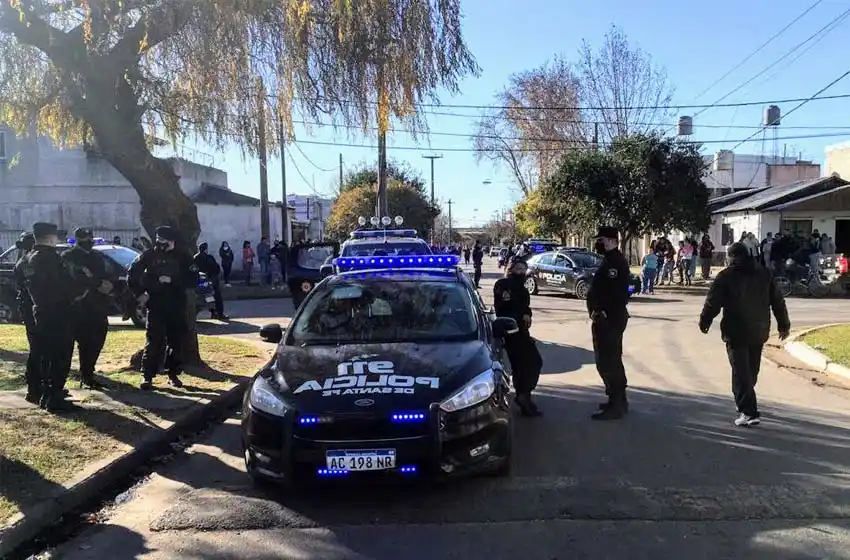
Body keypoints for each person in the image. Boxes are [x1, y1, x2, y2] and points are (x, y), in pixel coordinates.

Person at [699, 242, 791, 427]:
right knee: (750, 369)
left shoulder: (726, 276)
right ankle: (743, 400)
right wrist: (784, 325)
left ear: (731, 256)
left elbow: (712, 302)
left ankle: (749, 411)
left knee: (741, 372)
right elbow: (778, 301)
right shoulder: (764, 273)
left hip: (736, 330)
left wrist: (705, 320)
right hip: (759, 329)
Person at [19, 222, 79, 411]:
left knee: (42, 353)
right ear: (50, 237)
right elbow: (62, 285)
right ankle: (53, 398)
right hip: (57, 312)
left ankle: (41, 392)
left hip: (40, 311)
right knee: (59, 355)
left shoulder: (27, 258)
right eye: (55, 236)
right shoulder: (50, 258)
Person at [129, 226, 196, 391]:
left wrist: (173, 281)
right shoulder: (149, 255)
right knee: (153, 341)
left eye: (164, 242)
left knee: (176, 341)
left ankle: (173, 373)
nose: (160, 245)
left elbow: (193, 280)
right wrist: (141, 293)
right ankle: (147, 376)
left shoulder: (184, 257)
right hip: (156, 304)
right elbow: (133, 274)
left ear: (172, 241)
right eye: (158, 241)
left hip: (176, 304)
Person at [586, 226, 631, 420]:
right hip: (607, 318)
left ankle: (617, 403)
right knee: (610, 360)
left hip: (609, 319)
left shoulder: (615, 263)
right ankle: (617, 399)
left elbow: (616, 294)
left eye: (602, 239)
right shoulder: (609, 260)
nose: (599, 243)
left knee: (608, 361)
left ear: (612, 241)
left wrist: (602, 311)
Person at [63, 227, 114, 390]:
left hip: (98, 305)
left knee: (98, 339)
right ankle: (85, 375)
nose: (88, 243)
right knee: (84, 341)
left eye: (89, 240)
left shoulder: (96, 256)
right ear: (77, 240)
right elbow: (74, 278)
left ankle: (89, 372)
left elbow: (107, 273)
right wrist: (95, 283)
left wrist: (108, 283)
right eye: (84, 240)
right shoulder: (69, 256)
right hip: (79, 306)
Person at [493, 257, 543, 417]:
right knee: (532, 362)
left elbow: (525, 307)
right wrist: (520, 317)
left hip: (521, 331)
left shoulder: (521, 287)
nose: (521, 272)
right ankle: (523, 395)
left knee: (525, 365)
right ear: (511, 268)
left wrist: (527, 314)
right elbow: (504, 309)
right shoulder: (503, 285)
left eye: (523, 269)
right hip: (510, 331)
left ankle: (524, 396)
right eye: (518, 268)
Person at [13, 232, 40, 403]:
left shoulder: (30, 260)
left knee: (43, 349)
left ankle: (42, 385)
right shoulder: (26, 263)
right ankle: (34, 388)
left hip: (34, 307)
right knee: (37, 348)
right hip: (32, 309)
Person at [193, 242, 228, 320]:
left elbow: (194, 269)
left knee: (207, 296)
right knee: (216, 296)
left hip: (202, 280)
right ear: (206, 249)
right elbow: (215, 267)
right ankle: (218, 313)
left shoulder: (195, 257)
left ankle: (213, 312)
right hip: (210, 279)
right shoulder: (208, 257)